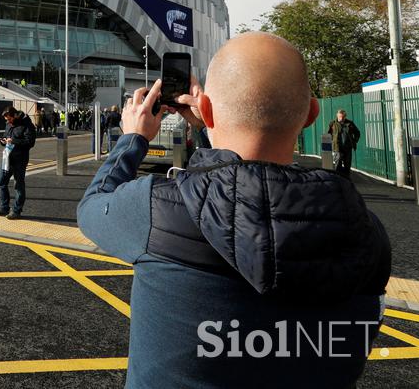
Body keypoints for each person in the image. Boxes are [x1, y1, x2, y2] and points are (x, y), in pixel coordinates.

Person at [77, 33, 390, 388]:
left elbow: (92, 207)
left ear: (205, 109)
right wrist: (212, 125)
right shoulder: (366, 233)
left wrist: (133, 138)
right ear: (311, 114)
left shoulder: (156, 209)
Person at [0, 107, 36, 219]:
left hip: (19, 159)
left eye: (9, 118)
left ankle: (16, 210)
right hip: (7, 158)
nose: (7, 121)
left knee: (18, 185)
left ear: (15, 115)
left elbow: (30, 142)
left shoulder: (27, 124)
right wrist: (3, 141)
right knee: (1, 182)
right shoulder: (8, 124)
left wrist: (14, 141)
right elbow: (7, 136)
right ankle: (4, 207)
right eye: (6, 119)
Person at [328, 109, 361, 179]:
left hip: (347, 147)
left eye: (343, 117)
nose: (341, 118)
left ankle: (346, 180)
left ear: (345, 116)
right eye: (340, 117)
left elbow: (357, 132)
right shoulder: (333, 124)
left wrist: (354, 141)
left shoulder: (350, 123)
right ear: (337, 116)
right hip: (337, 147)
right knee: (338, 164)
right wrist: (332, 143)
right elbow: (329, 134)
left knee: (347, 165)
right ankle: (338, 179)